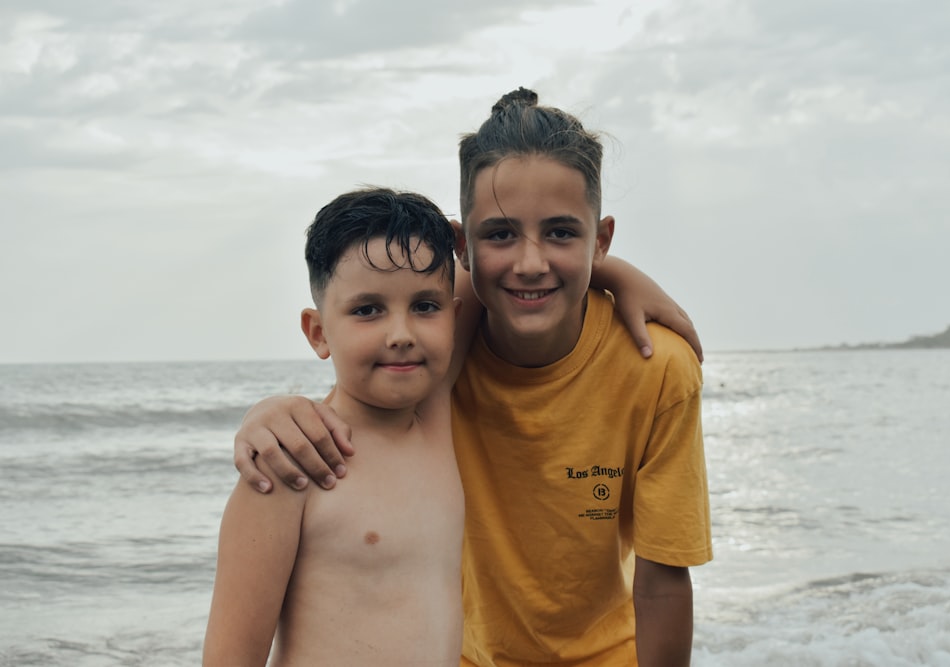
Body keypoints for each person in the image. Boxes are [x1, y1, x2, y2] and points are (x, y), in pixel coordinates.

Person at [235, 88, 712, 666]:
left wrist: (610, 274)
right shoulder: (444, 345)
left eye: (563, 232)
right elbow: (371, 362)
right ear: (464, 244)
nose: (530, 262)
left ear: (601, 237)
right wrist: (273, 411)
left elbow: (662, 584)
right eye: (500, 234)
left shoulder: (656, 367)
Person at [203, 188, 468, 666]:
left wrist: (622, 276)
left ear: (454, 316)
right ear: (319, 332)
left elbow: (527, 267)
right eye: (367, 310)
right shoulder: (292, 462)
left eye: (426, 306)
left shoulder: (437, 417)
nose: (402, 334)